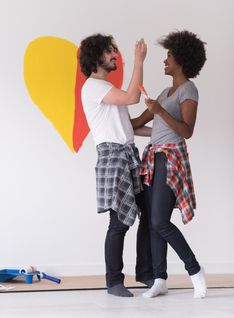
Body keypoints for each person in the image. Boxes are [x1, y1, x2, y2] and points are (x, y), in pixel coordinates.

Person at [131, 30, 207, 299]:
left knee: (161, 221)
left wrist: (159, 111)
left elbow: (187, 131)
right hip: (153, 159)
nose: (165, 60)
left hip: (170, 160)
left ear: (182, 60)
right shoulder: (165, 92)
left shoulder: (188, 90)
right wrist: (109, 116)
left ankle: (195, 271)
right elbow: (138, 124)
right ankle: (159, 278)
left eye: (169, 56)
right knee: (152, 222)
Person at [79, 34, 153, 297]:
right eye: (110, 51)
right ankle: (114, 281)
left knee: (148, 214)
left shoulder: (109, 90)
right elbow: (133, 97)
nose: (115, 55)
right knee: (119, 222)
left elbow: (128, 127)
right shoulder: (93, 87)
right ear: (96, 57)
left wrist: (161, 132)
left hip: (127, 152)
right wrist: (139, 61)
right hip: (113, 156)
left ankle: (145, 272)